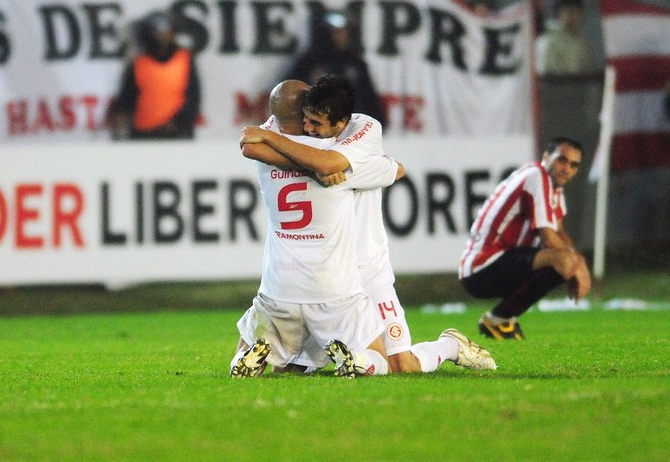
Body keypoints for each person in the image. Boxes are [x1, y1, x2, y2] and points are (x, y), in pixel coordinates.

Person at [241, 74, 496, 373]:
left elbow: (395, 170)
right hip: (328, 279)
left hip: (366, 267)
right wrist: (312, 169)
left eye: (314, 122)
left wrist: (313, 165)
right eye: (304, 119)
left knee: (401, 365)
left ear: (339, 123)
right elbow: (251, 145)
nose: (308, 127)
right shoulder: (300, 141)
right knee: (291, 370)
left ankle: (450, 345)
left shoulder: (362, 133)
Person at [230, 80, 397, 378]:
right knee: (381, 360)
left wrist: (270, 138)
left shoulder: (264, 149)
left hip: (278, 287)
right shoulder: (334, 156)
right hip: (333, 289)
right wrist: (320, 170)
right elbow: (394, 170)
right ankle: (359, 361)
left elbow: (249, 146)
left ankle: (244, 357)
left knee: (274, 357)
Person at [459, 136, 592, 340]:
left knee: (565, 262)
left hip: (500, 263)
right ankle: (498, 319)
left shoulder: (552, 186)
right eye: (562, 160)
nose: (567, 169)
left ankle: (501, 320)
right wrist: (578, 266)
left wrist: (577, 262)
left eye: (574, 165)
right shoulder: (537, 176)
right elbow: (549, 239)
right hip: (482, 267)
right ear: (546, 157)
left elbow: (559, 231)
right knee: (562, 261)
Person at [106, 11, 201, 140]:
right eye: (158, 32)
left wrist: (180, 122)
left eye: (167, 30)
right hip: (143, 134)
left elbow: (193, 97)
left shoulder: (184, 59)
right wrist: (119, 114)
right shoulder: (139, 62)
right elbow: (127, 96)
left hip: (176, 134)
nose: (163, 36)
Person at [284, 10, 387, 124]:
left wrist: (379, 122)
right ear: (327, 33)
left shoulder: (355, 63)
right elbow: (289, 93)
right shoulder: (310, 62)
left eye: (345, 32)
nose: (343, 36)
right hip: (315, 131)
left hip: (349, 130)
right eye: (338, 32)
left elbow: (369, 96)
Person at [535, 0, 596, 75]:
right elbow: (546, 75)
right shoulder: (549, 39)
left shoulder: (581, 41)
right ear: (559, 14)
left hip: (581, 86)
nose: (575, 16)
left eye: (578, 12)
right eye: (570, 11)